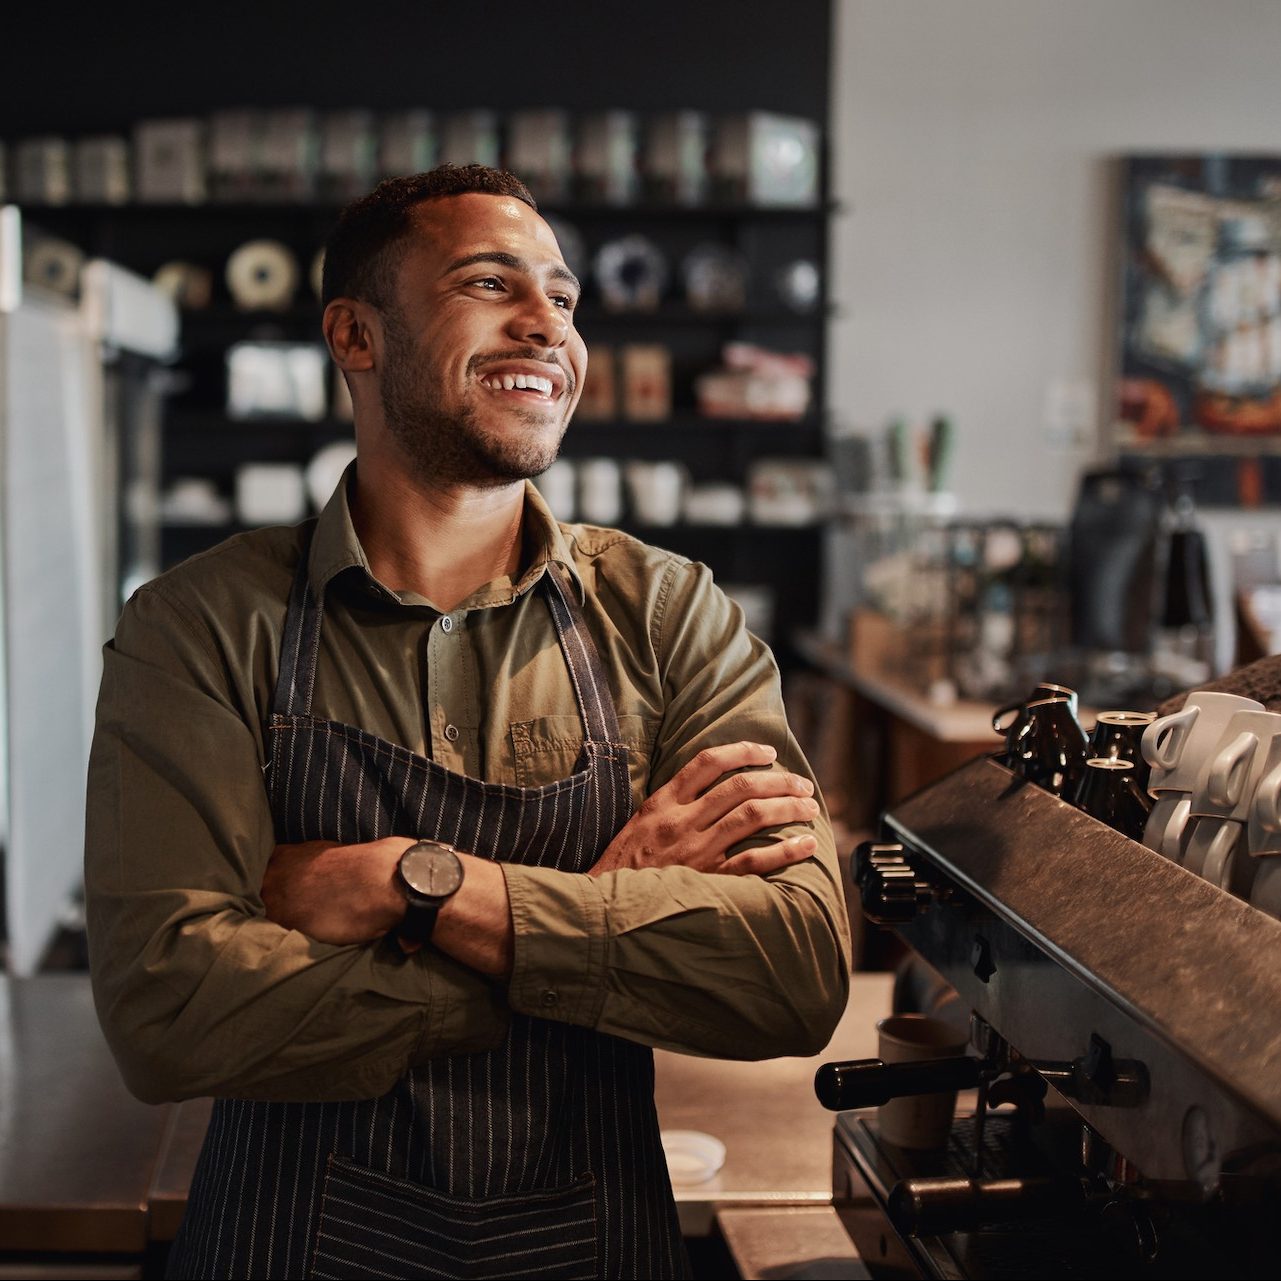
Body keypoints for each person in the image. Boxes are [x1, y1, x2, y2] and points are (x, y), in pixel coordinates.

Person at [85, 164, 850, 1280]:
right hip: (287, 1247)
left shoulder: (668, 613)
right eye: (492, 284)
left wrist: (410, 883)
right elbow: (169, 1012)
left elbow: (792, 973)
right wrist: (590, 914)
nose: (547, 325)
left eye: (564, 296)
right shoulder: (199, 627)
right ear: (357, 334)